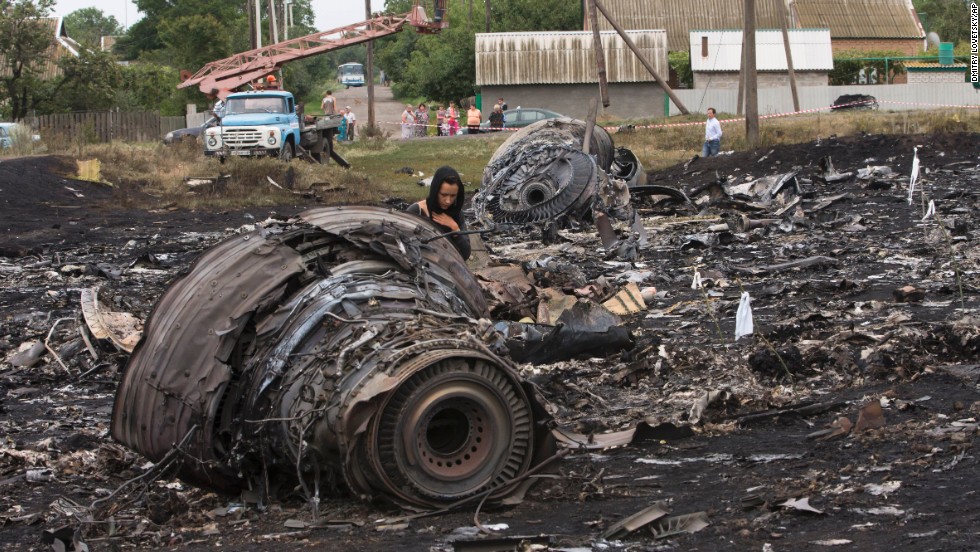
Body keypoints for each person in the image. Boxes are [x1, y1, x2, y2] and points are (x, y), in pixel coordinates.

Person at [406, 166, 471, 260]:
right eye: (444, 195)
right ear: (435, 191)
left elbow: (465, 254)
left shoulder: (457, 214)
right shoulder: (417, 211)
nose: (448, 201)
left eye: (453, 196)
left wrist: (455, 229)